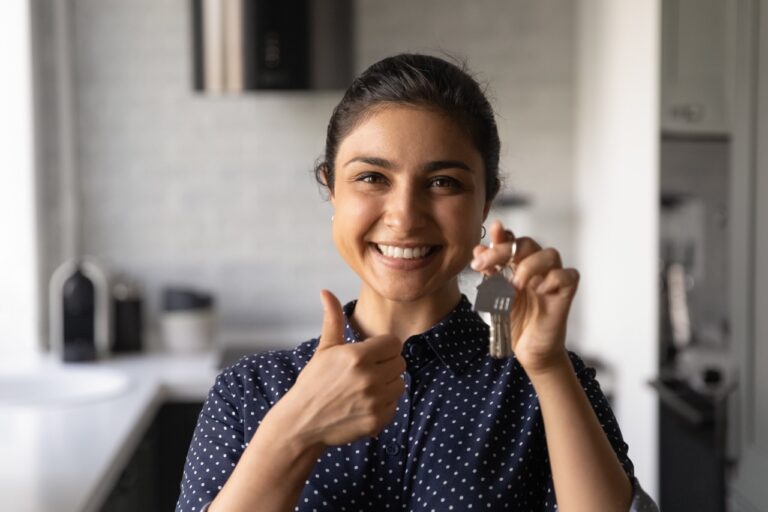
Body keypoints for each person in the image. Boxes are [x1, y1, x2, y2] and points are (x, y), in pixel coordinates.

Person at [176, 54, 659, 512]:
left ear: (487, 200)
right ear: (331, 188)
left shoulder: (541, 382)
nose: (404, 217)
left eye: (443, 182)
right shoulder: (250, 392)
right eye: (371, 177)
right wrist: (294, 430)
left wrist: (548, 367)